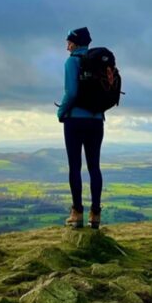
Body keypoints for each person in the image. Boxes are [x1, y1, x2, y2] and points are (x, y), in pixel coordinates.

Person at [56, 27, 104, 229]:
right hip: (96, 120)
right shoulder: (98, 62)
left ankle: (77, 213)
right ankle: (96, 214)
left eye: (69, 41)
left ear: (75, 43)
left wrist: (61, 113)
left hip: (75, 121)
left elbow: (72, 92)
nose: (67, 45)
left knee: (75, 167)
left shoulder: (72, 61)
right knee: (94, 167)